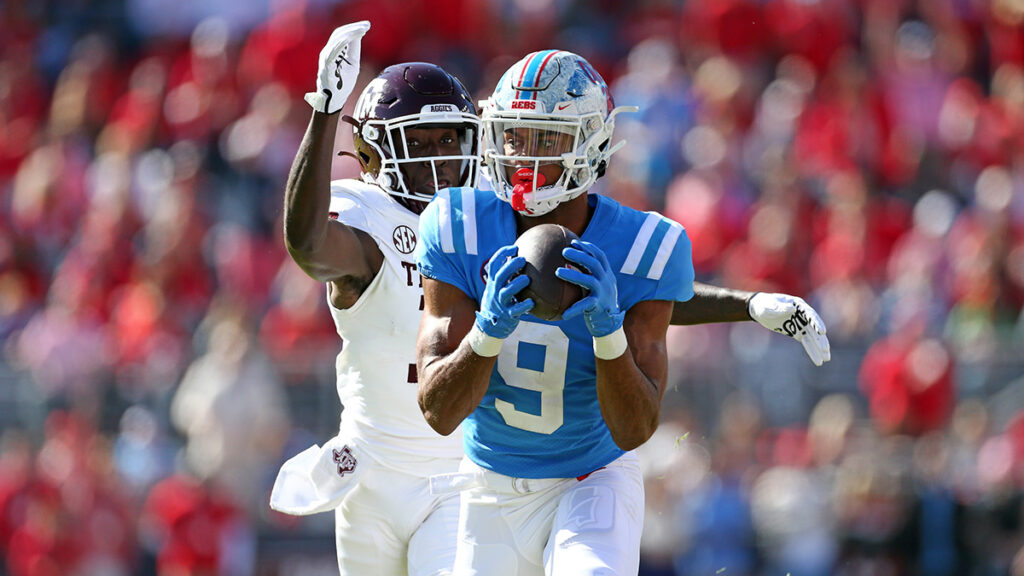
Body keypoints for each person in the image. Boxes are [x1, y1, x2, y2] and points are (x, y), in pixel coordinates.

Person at [414, 49, 829, 576]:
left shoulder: (645, 245)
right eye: (516, 135)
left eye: (548, 138)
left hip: (591, 478)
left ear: (592, 144)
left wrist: (611, 335)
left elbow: (634, 428)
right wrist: (485, 335)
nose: (525, 156)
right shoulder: (457, 223)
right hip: (488, 479)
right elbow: (437, 411)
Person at [266, 22, 483, 575]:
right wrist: (325, 112)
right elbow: (309, 247)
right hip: (373, 477)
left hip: (460, 475)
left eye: (449, 139)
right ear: (371, 154)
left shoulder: (486, 217)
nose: (438, 157)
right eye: (418, 142)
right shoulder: (368, 222)